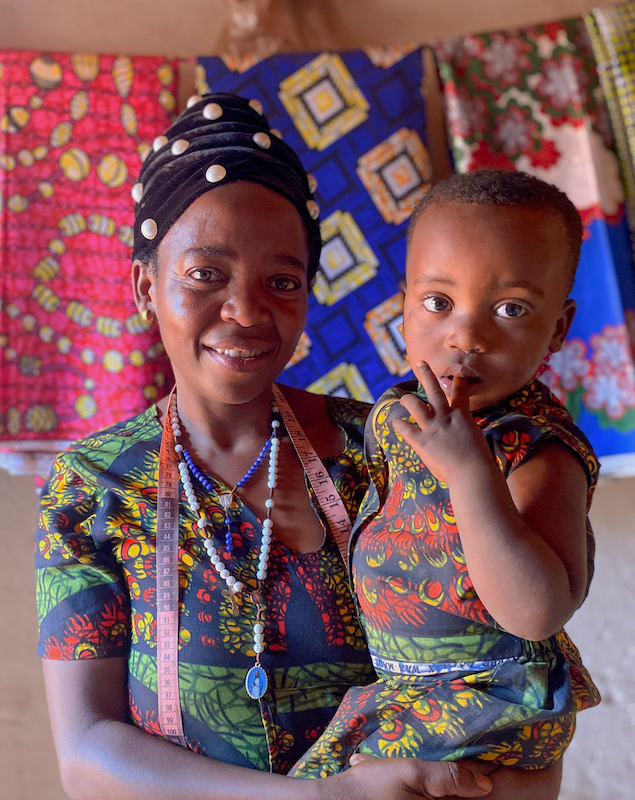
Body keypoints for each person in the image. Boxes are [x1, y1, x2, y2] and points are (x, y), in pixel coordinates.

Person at [35, 93, 499, 800]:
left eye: (280, 281)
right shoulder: (92, 484)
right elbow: (86, 753)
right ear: (143, 287)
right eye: (205, 273)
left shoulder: (391, 449)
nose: (247, 311)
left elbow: (483, 666)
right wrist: (321, 798)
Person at [291, 171, 601, 799]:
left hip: (489, 702)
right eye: (438, 302)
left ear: (559, 328)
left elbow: (537, 611)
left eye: (511, 309)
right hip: (407, 693)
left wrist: (470, 475)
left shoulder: (534, 449)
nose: (467, 336)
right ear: (402, 304)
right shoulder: (399, 415)